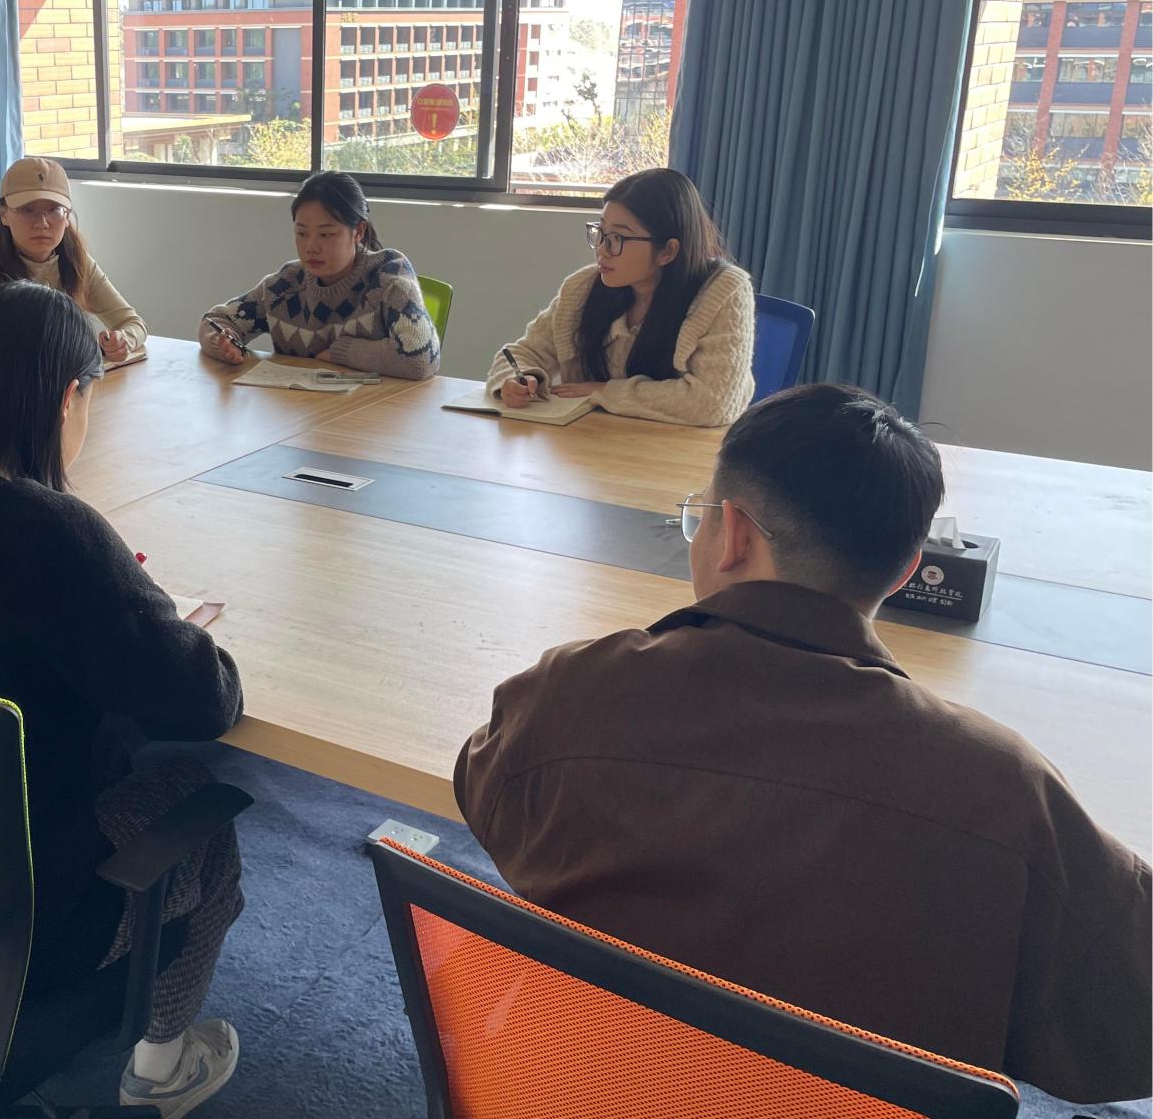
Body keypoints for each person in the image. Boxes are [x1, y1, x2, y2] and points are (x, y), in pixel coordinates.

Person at [453, 383, 1151, 1103]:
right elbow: (1129, 1028)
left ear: (734, 534)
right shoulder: (1005, 791)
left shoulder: (573, 692)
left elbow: (484, 797)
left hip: (575, 1092)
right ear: (905, 571)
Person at [0, 281, 245, 1118]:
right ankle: (162, 1067)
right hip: (20, 906)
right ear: (68, 397)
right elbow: (204, 703)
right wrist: (153, 612)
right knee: (203, 812)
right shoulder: (57, 532)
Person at [487, 167, 754, 426]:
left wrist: (604, 391)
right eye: (600, 233)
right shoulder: (583, 287)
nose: (602, 250)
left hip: (680, 449)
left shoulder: (724, 291)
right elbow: (522, 353)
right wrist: (517, 379)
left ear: (667, 251)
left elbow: (713, 402)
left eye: (618, 238)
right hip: (590, 443)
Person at [199, 171, 440, 380]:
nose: (311, 247)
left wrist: (342, 352)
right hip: (302, 412)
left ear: (358, 231)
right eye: (301, 234)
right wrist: (223, 344)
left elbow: (419, 358)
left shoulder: (389, 275)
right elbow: (216, 320)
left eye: (326, 235)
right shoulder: (285, 286)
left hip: (375, 413)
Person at [0, 156, 146, 369]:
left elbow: (134, 323)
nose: (42, 223)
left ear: (67, 216)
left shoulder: (78, 261)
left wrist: (123, 341)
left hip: (69, 385)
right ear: (3, 214)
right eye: (28, 210)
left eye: (54, 210)